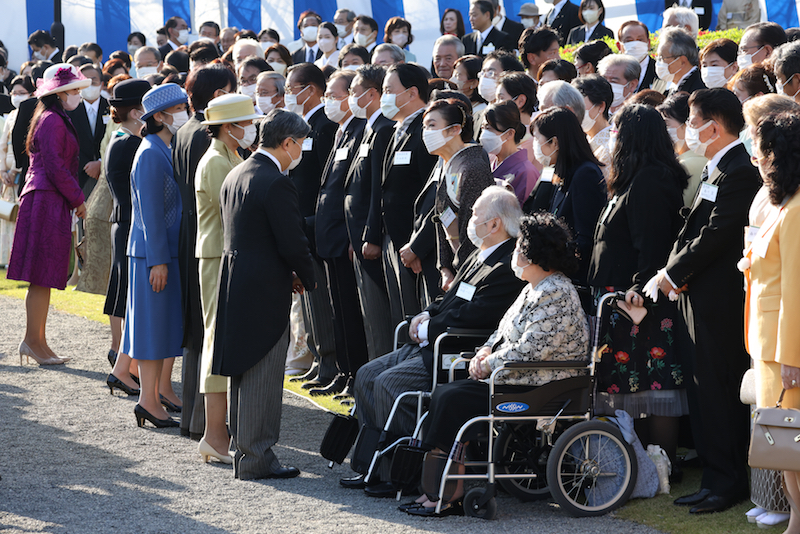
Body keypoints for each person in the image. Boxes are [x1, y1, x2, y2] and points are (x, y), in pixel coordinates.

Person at [344, 186, 526, 495]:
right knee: (365, 376)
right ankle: (372, 465)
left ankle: (401, 474)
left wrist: (432, 327)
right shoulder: (477, 256)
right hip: (432, 341)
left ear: (495, 224)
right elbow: (450, 297)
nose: (471, 219)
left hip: (454, 349)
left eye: (477, 214)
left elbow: (480, 314)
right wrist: (424, 315)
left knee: (388, 385)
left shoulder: (507, 265)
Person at [406, 211, 589, 516]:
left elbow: (530, 350)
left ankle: (449, 490)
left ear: (534, 255)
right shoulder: (533, 289)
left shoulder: (556, 291)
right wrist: (483, 353)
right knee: (447, 393)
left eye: (519, 249)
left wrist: (489, 363)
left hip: (542, 385)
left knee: (453, 398)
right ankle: (440, 484)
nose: (514, 254)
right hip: (518, 378)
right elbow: (502, 333)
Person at [649, 88, 760, 514]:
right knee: (703, 392)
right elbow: (691, 230)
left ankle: (727, 483)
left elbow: (717, 235)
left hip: (720, 303)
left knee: (718, 393)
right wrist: (672, 274)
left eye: (692, 122)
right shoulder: (720, 169)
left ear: (713, 126)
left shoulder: (739, 172)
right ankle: (715, 478)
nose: (688, 130)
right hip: (697, 297)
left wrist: (674, 273)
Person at [212, 108, 316, 480]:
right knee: (264, 372)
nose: (301, 149)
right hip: (263, 287)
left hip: (237, 280)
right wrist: (310, 277)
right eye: (300, 143)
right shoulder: (275, 180)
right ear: (287, 143)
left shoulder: (237, 172)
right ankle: (256, 457)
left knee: (243, 370)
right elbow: (292, 241)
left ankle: (248, 453)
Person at [588, 104, 689, 468]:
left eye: (615, 130)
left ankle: (662, 465)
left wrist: (638, 287)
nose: (610, 138)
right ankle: (643, 463)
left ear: (631, 136)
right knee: (634, 383)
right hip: (621, 297)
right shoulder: (635, 175)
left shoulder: (652, 178)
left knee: (655, 382)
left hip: (641, 299)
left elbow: (654, 241)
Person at [740, 95, 800, 530]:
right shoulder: (785, 203)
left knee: (790, 439)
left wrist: (792, 356)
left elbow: (797, 288)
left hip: (784, 348)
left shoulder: (796, 210)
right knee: (781, 442)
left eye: (764, 152)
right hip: (768, 343)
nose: (758, 159)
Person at [7, 63, 89, 365]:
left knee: (44, 276)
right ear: (59, 93)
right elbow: (55, 166)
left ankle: (37, 341)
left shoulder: (52, 116)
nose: (78, 94)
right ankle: (33, 341)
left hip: (46, 197)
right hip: (45, 198)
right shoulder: (53, 119)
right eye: (74, 90)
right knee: (41, 275)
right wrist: (79, 198)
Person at [193, 94, 260, 462]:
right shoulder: (217, 161)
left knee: (223, 340)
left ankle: (220, 433)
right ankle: (214, 434)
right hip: (218, 255)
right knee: (216, 342)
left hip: (225, 255)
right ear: (229, 126)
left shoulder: (231, 156)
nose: (250, 128)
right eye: (245, 122)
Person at [173, 63, 236, 439]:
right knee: (205, 332)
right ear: (217, 97)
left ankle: (196, 419)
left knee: (199, 331)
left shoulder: (184, 129)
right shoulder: (205, 138)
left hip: (193, 236)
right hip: (208, 237)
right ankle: (202, 422)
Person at [126, 83, 188, 429]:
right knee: (151, 330)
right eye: (178, 108)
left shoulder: (163, 146)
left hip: (161, 253)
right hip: (153, 256)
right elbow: (150, 213)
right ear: (160, 116)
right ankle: (148, 401)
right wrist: (159, 261)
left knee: (161, 328)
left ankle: (153, 397)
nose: (184, 112)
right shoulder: (150, 151)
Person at [284, 63, 340, 394]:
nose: (290, 95)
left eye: (293, 89)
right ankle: (320, 360)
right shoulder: (307, 124)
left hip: (317, 225)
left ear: (312, 89)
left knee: (322, 300)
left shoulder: (324, 126)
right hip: (303, 224)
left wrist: (313, 222)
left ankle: (330, 362)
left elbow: (325, 182)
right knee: (310, 301)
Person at [314, 70, 369, 400]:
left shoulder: (361, 130)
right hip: (330, 235)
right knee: (339, 311)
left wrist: (354, 236)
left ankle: (355, 375)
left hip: (345, 236)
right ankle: (344, 371)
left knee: (352, 312)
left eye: (335, 95)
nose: (329, 102)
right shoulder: (342, 131)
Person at [379, 64, 439, 326]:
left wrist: (417, 245)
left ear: (412, 92)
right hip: (395, 238)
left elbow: (432, 195)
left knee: (420, 316)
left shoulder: (427, 131)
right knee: (402, 314)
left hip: (418, 243)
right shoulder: (396, 129)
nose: (385, 96)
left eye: (389, 90)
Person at [344, 65, 395, 363]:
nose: (351, 99)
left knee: (378, 318)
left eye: (354, 93)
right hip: (359, 236)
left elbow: (378, 189)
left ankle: (378, 387)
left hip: (371, 239)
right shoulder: (369, 128)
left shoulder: (384, 128)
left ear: (371, 94)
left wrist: (371, 235)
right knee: (369, 317)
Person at [104, 78, 151, 397]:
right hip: (130, 223)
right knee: (128, 296)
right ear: (136, 112)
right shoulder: (129, 143)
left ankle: (122, 358)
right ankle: (122, 363)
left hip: (124, 223)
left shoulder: (122, 139)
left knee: (123, 292)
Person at [528, 107, 606, 295]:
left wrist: (558, 269)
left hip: (572, 281)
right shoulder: (563, 172)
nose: (536, 145)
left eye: (538, 139)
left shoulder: (585, 174)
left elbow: (584, 236)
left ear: (554, 142)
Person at [425, 97, 494, 291]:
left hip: (471, 271)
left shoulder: (472, 168)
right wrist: (445, 267)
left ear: (455, 129)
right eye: (424, 126)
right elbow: (442, 217)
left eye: (432, 125)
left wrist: (461, 270)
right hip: (454, 270)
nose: (426, 132)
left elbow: (476, 230)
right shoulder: (447, 164)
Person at [0, 76, 34, 266]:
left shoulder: (30, 111)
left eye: (22, 93)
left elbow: (24, 144)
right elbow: (3, 144)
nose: (17, 97)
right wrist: (2, 170)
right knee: (7, 216)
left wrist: (14, 170)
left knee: (22, 218)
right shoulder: (11, 115)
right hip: (6, 176)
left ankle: (20, 259)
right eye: (14, 93)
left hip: (21, 173)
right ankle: (6, 258)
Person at [480, 100, 539, 204]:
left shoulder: (526, 172)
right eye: (483, 128)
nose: (484, 134)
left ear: (509, 133)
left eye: (489, 128)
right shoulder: (490, 161)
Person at [657, 92, 707, 206]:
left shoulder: (686, 165)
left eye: (667, 125)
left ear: (687, 125)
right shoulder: (703, 156)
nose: (663, 131)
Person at [572, 74, 613, 178]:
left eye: (580, 107)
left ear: (601, 106)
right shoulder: (582, 139)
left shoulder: (610, 148)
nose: (575, 113)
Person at [494, 72, 536, 161]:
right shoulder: (497, 132)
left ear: (521, 101)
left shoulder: (534, 138)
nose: (496, 104)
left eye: (501, 98)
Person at [658, 27, 705, 97]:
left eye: (663, 58)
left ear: (682, 61)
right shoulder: (675, 86)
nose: (659, 63)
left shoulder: (698, 91)